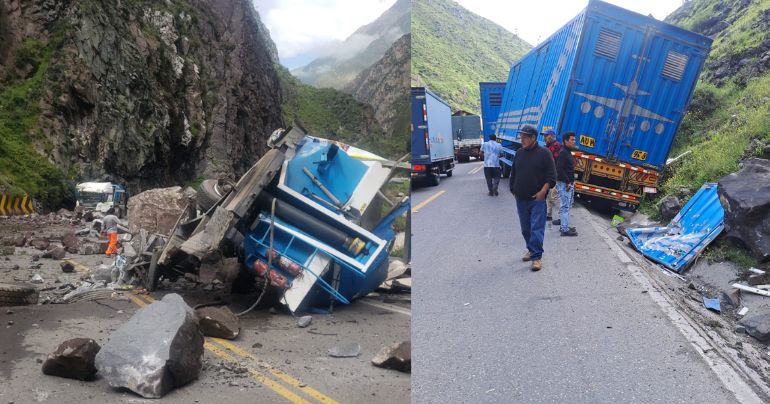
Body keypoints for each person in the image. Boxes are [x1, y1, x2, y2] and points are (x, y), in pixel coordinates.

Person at [509, 125, 556, 271]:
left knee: (536, 228)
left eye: (524, 137)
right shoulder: (519, 153)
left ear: (533, 138)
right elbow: (514, 172)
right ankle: (530, 249)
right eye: (521, 136)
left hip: (537, 199)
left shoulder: (544, 153)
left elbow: (551, 176)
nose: (521, 139)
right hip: (521, 198)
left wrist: (543, 191)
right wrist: (513, 189)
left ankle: (536, 258)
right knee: (525, 229)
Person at [556, 132, 578, 236]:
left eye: (574, 139)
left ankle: (564, 225)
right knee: (565, 206)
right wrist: (568, 181)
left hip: (569, 184)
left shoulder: (568, 152)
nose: (574, 142)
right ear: (565, 141)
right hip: (565, 184)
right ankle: (564, 230)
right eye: (572, 140)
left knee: (568, 205)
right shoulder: (563, 153)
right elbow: (559, 169)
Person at [542, 129, 562, 223]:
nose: (544, 137)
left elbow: (548, 158)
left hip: (556, 174)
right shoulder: (550, 146)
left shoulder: (555, 145)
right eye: (544, 136)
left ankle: (561, 217)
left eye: (546, 135)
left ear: (551, 136)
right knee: (549, 195)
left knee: (554, 196)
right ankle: (548, 215)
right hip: (550, 174)